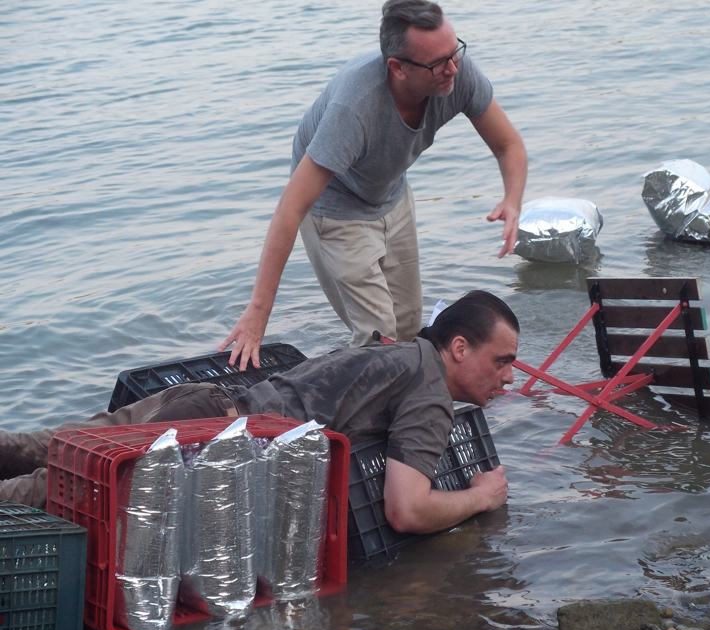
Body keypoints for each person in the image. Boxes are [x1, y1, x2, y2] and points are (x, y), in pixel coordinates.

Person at [0, 290, 517, 535]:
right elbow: (406, 511)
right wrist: (481, 496)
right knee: (49, 490)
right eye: (502, 361)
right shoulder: (429, 390)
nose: (510, 377)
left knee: (42, 448)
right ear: (459, 348)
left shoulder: (398, 352)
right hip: (211, 436)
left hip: (205, 399)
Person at [219, 0, 527, 369]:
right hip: (335, 207)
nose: (453, 69)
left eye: (455, 52)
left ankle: (404, 392)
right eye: (437, 63)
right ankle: (362, 398)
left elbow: (509, 145)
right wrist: (258, 312)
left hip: (390, 194)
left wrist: (512, 199)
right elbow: (291, 206)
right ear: (397, 67)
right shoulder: (355, 109)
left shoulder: (456, 71)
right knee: (378, 336)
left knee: (408, 329)